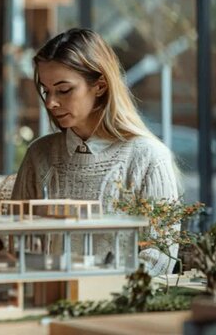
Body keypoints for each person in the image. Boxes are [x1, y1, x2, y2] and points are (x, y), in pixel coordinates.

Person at [11, 28, 179, 276]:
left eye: (64, 90)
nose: (50, 103)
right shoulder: (39, 154)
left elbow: (160, 255)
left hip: (116, 307)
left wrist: (99, 290)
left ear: (100, 85)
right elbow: (15, 240)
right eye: (46, 90)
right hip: (45, 299)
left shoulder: (149, 157)